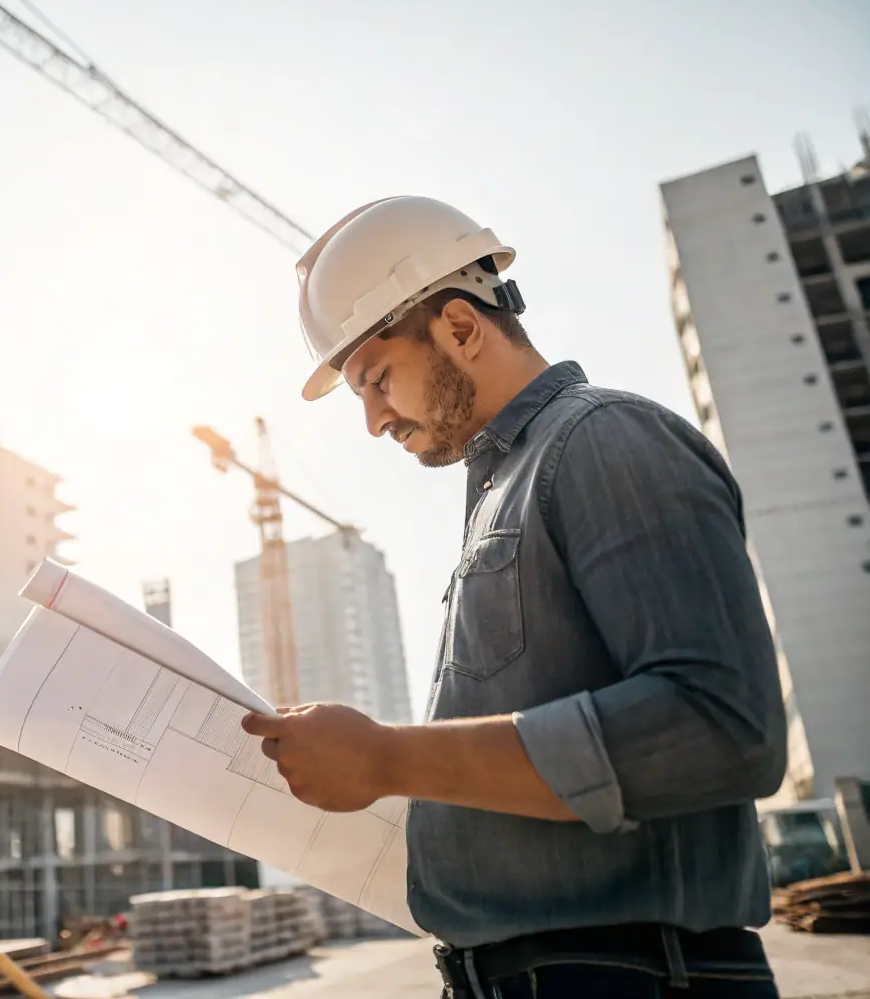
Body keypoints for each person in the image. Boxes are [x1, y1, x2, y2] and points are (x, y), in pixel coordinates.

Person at [240, 196, 788, 997]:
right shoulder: (510, 487)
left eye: (377, 379)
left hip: (623, 976)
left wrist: (388, 758)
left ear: (460, 327)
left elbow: (720, 728)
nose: (371, 421)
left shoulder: (602, 439)